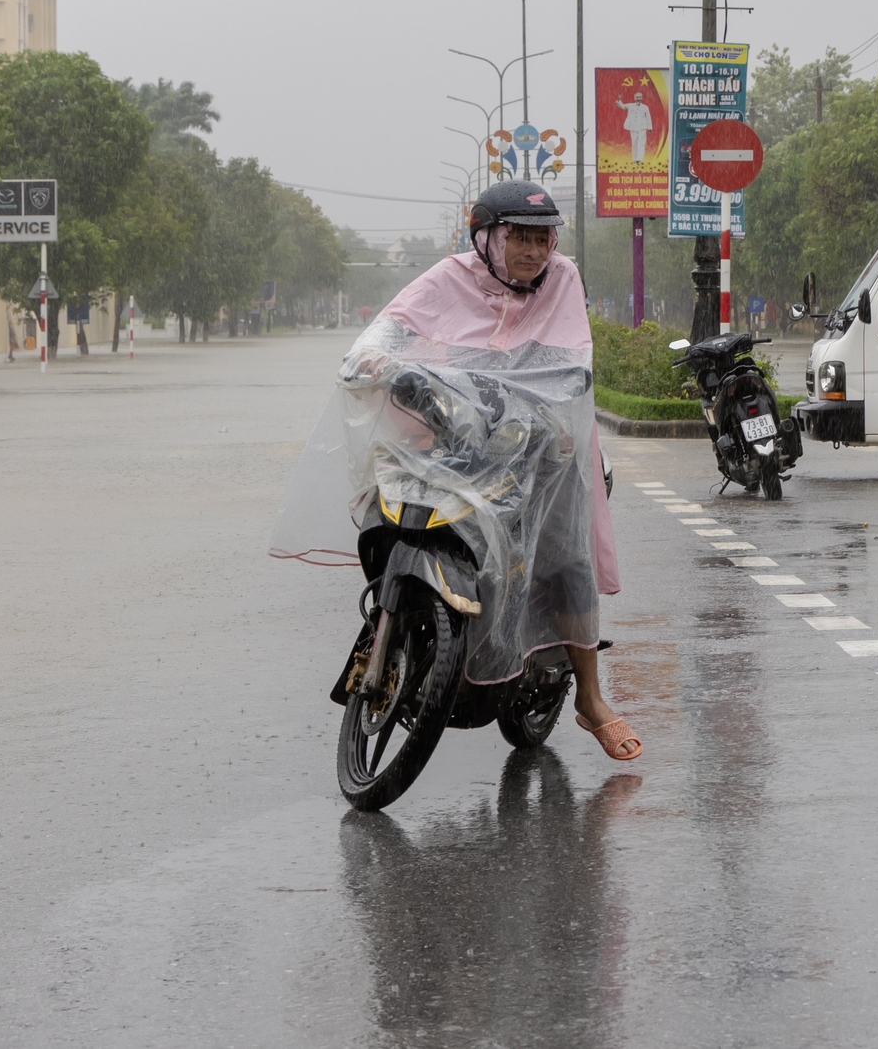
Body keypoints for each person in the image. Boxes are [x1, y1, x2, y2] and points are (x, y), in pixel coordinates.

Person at [271, 179, 640, 762]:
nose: (535, 250)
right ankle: (398, 627)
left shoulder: (563, 277)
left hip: (540, 438)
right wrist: (373, 356)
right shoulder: (449, 278)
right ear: (487, 238)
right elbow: (390, 327)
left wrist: (561, 390)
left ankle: (591, 698)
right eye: (520, 235)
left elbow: (574, 354)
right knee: (386, 505)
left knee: (568, 556)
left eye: (544, 238)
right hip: (449, 432)